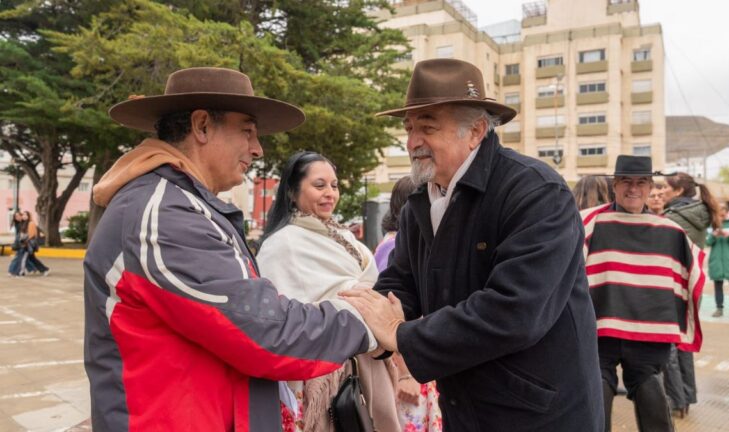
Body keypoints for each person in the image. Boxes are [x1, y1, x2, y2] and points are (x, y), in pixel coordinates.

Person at [84, 67, 378, 431]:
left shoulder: (182, 203)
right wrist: (364, 320)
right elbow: (265, 331)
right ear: (202, 126)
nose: (257, 149)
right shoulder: (163, 212)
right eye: (247, 131)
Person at [341, 58, 604, 431]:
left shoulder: (535, 192)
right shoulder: (423, 199)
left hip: (540, 413)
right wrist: (362, 322)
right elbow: (402, 282)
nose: (413, 142)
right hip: (466, 407)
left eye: (427, 128)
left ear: (476, 130)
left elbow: (514, 312)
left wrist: (400, 334)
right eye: (409, 128)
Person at [256, 151, 400, 432]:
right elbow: (280, 316)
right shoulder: (281, 245)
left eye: (334, 186)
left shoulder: (344, 236)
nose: (330, 194)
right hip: (323, 372)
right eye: (319, 185)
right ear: (292, 191)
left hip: (368, 360)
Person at [581, 155, 705, 432]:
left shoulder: (671, 232)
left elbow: (688, 275)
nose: (633, 188)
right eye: (626, 181)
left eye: (640, 182)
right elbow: (692, 275)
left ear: (650, 187)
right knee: (600, 385)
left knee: (644, 382)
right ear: (615, 185)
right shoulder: (590, 223)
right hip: (601, 329)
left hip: (645, 332)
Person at [373, 175, 442, 431]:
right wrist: (406, 374)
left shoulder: (397, 242)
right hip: (410, 364)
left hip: (417, 358)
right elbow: (395, 311)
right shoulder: (394, 246)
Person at [662, 171, 720, 418]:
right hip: (690, 285)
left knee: (668, 346)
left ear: (677, 192)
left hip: (671, 286)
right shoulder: (700, 213)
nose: (661, 192)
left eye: (665, 188)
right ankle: (686, 396)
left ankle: (676, 400)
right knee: (683, 342)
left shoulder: (673, 218)